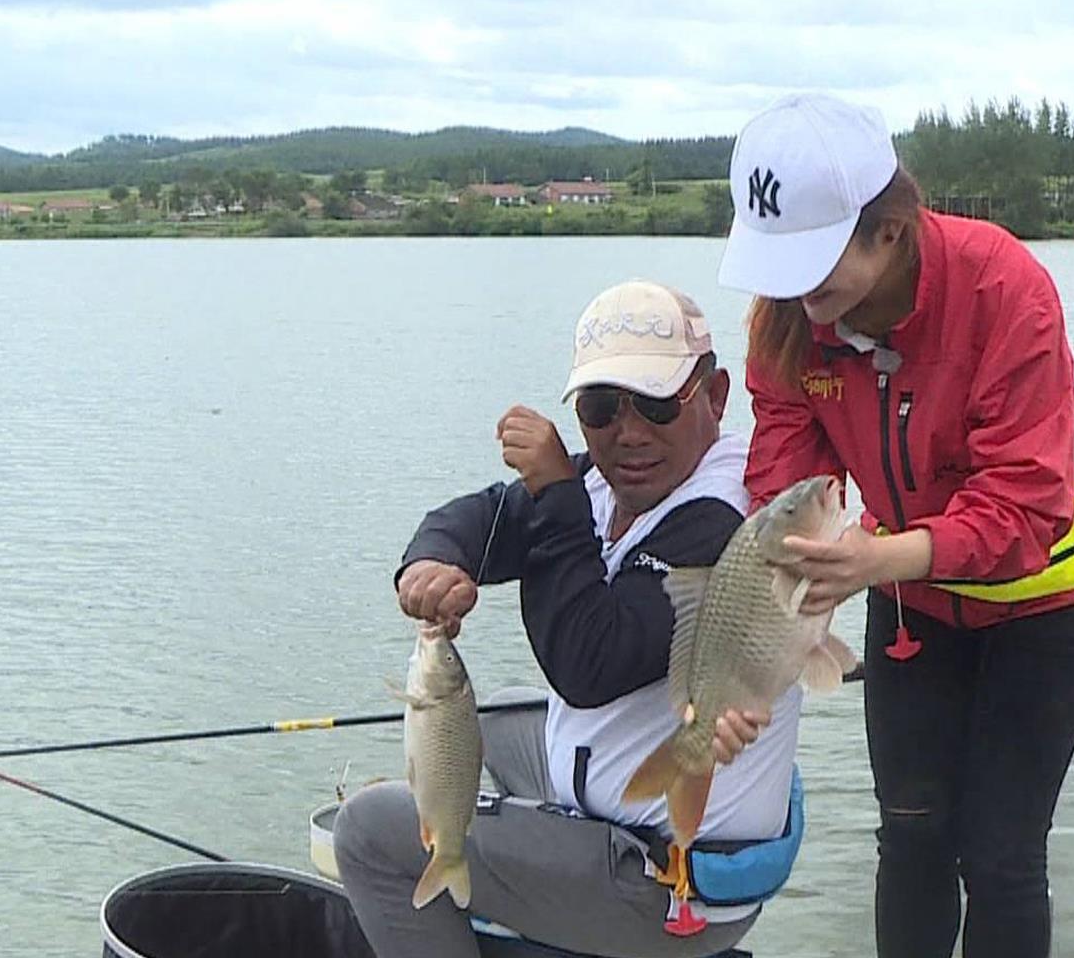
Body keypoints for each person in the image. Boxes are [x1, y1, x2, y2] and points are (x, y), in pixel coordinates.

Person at [713, 92, 1074, 958]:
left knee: (1002, 854)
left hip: (1053, 593)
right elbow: (783, 459)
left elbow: (1023, 503)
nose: (790, 289)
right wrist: (754, 655)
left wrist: (873, 560)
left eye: (813, 261)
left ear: (891, 229)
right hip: (909, 596)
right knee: (910, 834)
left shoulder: (1003, 285)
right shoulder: (790, 310)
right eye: (774, 263)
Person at [332, 280, 803, 958]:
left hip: (665, 878)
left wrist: (554, 494)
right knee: (486, 721)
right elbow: (474, 518)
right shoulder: (608, 483)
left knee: (369, 833)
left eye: (657, 405)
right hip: (623, 809)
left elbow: (590, 661)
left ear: (716, 397)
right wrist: (430, 565)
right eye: (602, 407)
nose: (629, 433)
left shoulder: (727, 522)